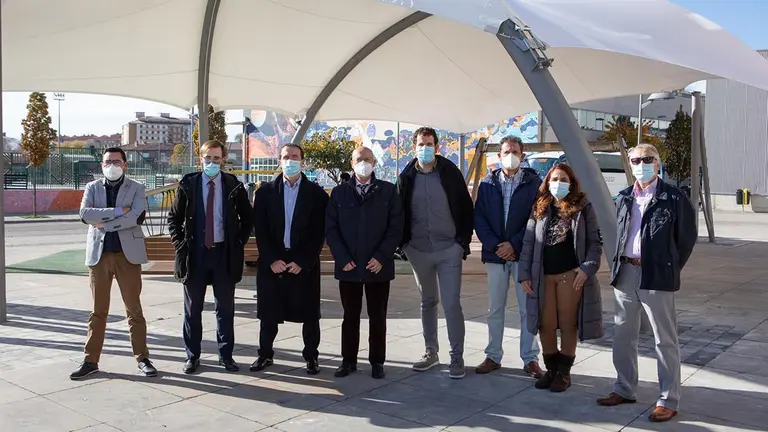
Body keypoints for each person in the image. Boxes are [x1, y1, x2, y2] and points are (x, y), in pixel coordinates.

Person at [596, 144, 697, 423]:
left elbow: (686, 239)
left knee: (664, 340)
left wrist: (669, 265)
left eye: (647, 159)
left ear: (657, 162)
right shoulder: (624, 197)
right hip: (626, 272)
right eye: (636, 160)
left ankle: (668, 399)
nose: (642, 164)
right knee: (623, 337)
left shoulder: (673, 197)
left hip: (657, 275)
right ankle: (624, 388)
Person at [167, 140, 253, 374]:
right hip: (195, 255)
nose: (212, 163)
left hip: (223, 254)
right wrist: (181, 245)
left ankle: (225, 356)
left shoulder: (233, 185)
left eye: (217, 158)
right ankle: (192, 356)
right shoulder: (189, 184)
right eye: (208, 158)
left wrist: (237, 244)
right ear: (201, 159)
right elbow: (173, 219)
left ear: (223, 160)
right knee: (192, 310)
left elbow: (247, 219)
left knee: (224, 309)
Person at [71, 147, 156, 380]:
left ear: (125, 164)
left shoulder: (137, 187)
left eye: (117, 161)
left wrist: (106, 223)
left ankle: (142, 357)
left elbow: (136, 217)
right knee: (98, 311)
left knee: (134, 310)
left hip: (127, 257)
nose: (112, 165)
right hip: (99, 257)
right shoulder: (92, 187)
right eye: (108, 162)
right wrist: (118, 211)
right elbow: (86, 215)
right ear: (101, 165)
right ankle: (90, 360)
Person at [518, 163, 604, 392]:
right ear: (547, 182)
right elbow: (528, 242)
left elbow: (595, 243)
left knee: (567, 324)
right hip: (542, 276)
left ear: (572, 182)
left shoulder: (582, 206)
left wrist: (587, 267)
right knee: (545, 324)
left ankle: (564, 373)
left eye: (563, 179)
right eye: (554, 179)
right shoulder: (540, 206)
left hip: (570, 276)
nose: (558, 183)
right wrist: (524, 273)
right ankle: (552, 370)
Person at [396, 126, 474, 379]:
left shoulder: (449, 173)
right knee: (427, 302)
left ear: (437, 147)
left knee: (451, 304)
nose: (425, 148)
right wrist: (404, 245)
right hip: (418, 250)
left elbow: (464, 207)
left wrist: (462, 243)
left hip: (449, 249)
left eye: (429, 144)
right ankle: (431, 352)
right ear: (414, 147)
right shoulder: (407, 176)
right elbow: (399, 211)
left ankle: (456, 357)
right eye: (420, 144)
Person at [326, 146, 404, 379]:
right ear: (352, 163)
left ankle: (377, 362)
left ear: (374, 163)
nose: (364, 163)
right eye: (360, 159)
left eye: (368, 159)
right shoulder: (339, 194)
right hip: (348, 267)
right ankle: (348, 360)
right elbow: (331, 229)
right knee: (350, 316)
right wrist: (342, 258)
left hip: (377, 267)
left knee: (377, 317)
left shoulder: (388, 192)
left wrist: (382, 257)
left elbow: (396, 228)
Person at [251, 144, 329, 375]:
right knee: (268, 313)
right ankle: (265, 354)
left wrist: (303, 260)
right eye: (286, 157)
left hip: (302, 262)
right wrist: (271, 259)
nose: (290, 160)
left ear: (302, 162)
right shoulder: (265, 193)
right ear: (279, 161)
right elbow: (261, 230)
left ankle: (311, 357)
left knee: (310, 314)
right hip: (273, 261)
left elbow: (319, 231)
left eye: (295, 157)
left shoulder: (316, 194)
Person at [473, 136, 544, 377]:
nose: (510, 155)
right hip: (495, 256)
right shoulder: (487, 184)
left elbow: (537, 218)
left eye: (515, 151)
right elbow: (479, 218)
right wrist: (496, 245)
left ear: (522, 156)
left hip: (523, 255)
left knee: (528, 309)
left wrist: (513, 244)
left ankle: (530, 358)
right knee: (495, 308)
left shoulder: (534, 184)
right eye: (506, 151)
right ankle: (493, 355)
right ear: (499, 156)